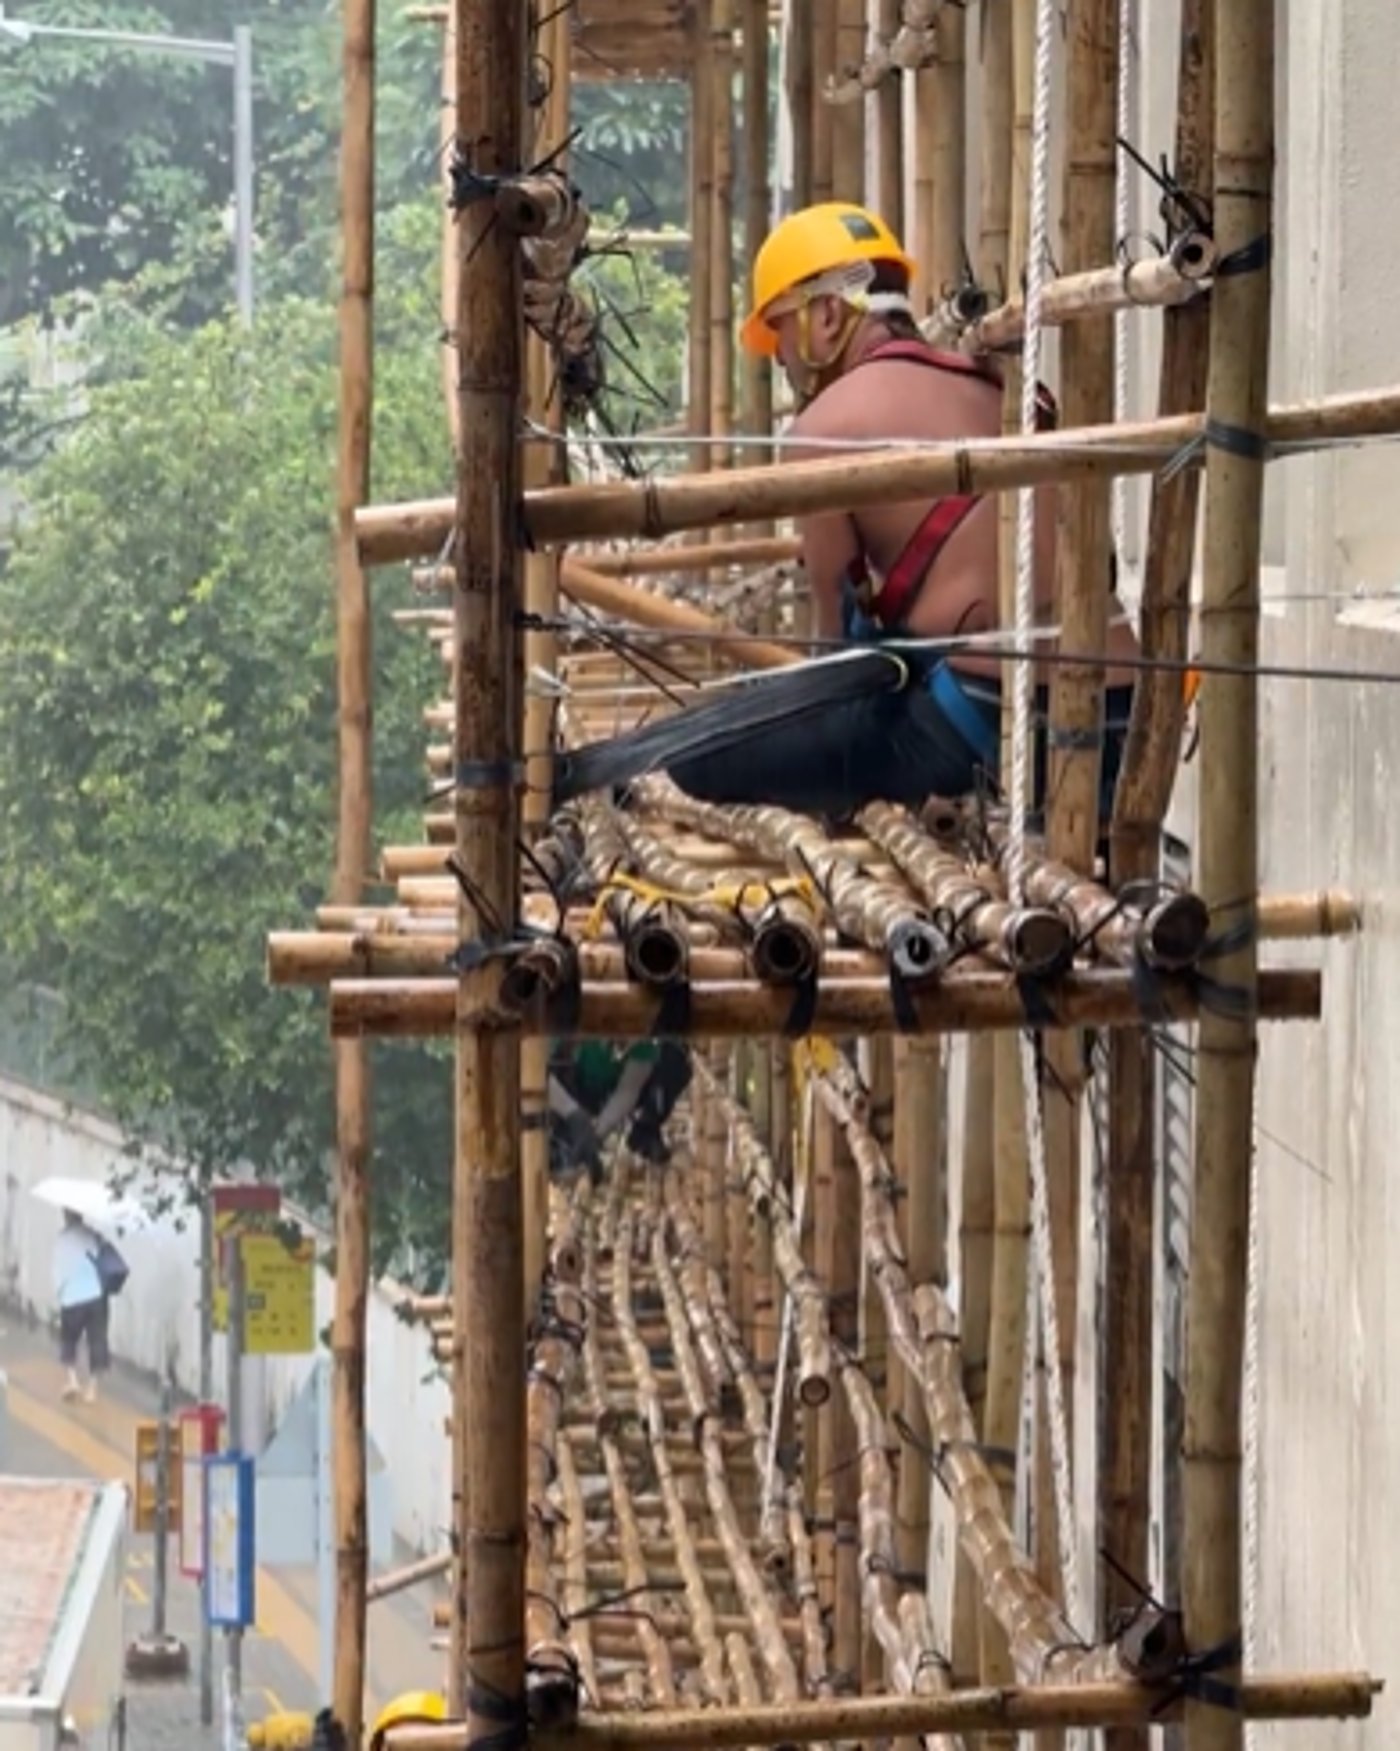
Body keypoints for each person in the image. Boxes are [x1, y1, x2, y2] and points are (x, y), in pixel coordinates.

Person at [556, 202, 1142, 825]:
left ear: (827, 314)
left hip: (983, 724)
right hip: (1122, 714)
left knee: (699, 758)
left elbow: (832, 652)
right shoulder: (1006, 387)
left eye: (779, 331)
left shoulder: (821, 430)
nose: (779, 357)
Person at [548, 1039, 692, 1181]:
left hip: (613, 1089)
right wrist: (573, 1114)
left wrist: (597, 1135)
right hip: (573, 1088)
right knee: (552, 1063)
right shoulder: (563, 1024)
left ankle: (645, 1130)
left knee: (675, 1057)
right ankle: (561, 1139)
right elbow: (535, 1072)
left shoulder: (642, 1032)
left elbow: (628, 1090)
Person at [52, 1208, 112, 1403]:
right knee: (97, 1340)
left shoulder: (62, 1238)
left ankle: (73, 1380)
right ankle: (92, 1389)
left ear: (67, 1216)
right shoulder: (93, 1235)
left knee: (69, 1339)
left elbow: (59, 1269)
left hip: (72, 1296)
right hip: (95, 1294)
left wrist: (59, 1292)